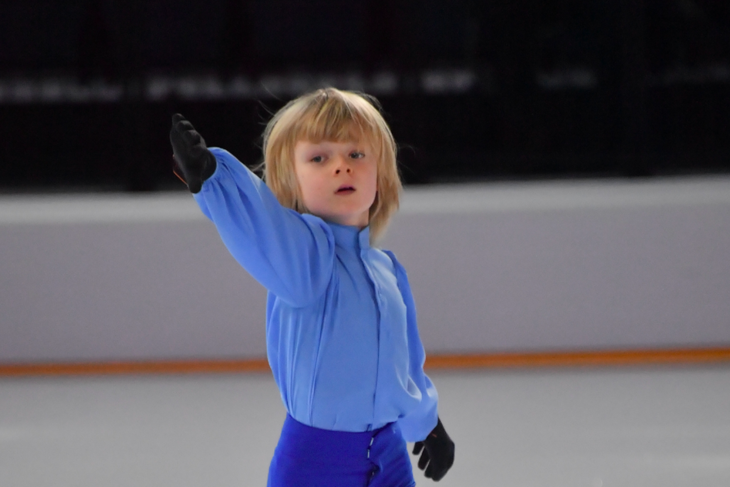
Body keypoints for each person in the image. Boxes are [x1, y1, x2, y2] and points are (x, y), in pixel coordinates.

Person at [169, 87, 455, 486]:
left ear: (381, 172)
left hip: (387, 455)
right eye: (319, 157)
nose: (342, 166)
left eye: (356, 154)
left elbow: (403, 360)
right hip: (316, 464)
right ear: (290, 178)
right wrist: (214, 179)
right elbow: (262, 229)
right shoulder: (306, 260)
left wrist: (427, 423)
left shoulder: (388, 269)